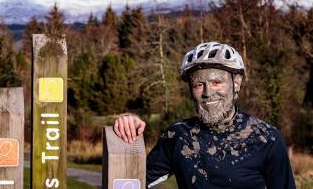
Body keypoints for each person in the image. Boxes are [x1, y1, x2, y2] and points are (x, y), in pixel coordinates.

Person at [113, 42, 296, 189]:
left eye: (217, 82)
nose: (207, 93)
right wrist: (129, 122)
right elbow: (130, 182)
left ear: (237, 83)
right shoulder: (178, 136)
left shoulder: (265, 138)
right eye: (198, 85)